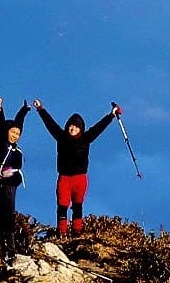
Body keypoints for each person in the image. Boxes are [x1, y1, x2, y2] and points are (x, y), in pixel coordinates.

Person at [35, 100, 119, 237]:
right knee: (62, 206)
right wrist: (40, 109)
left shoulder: (86, 138)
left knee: (77, 206)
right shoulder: (61, 137)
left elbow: (99, 127)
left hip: (80, 178)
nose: (72, 128)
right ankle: (62, 232)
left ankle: (76, 231)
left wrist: (111, 115)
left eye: (76, 127)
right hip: (64, 178)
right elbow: (50, 124)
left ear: (81, 128)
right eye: (70, 126)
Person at [0, 93, 30, 256]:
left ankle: (6, 247)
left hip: (11, 184)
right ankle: (9, 249)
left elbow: (18, 123)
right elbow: (0, 125)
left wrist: (24, 110)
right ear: (7, 132)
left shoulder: (13, 146)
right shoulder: (2, 143)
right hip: (3, 184)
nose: (15, 135)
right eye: (12, 132)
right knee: (8, 214)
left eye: (18, 134)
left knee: (6, 212)